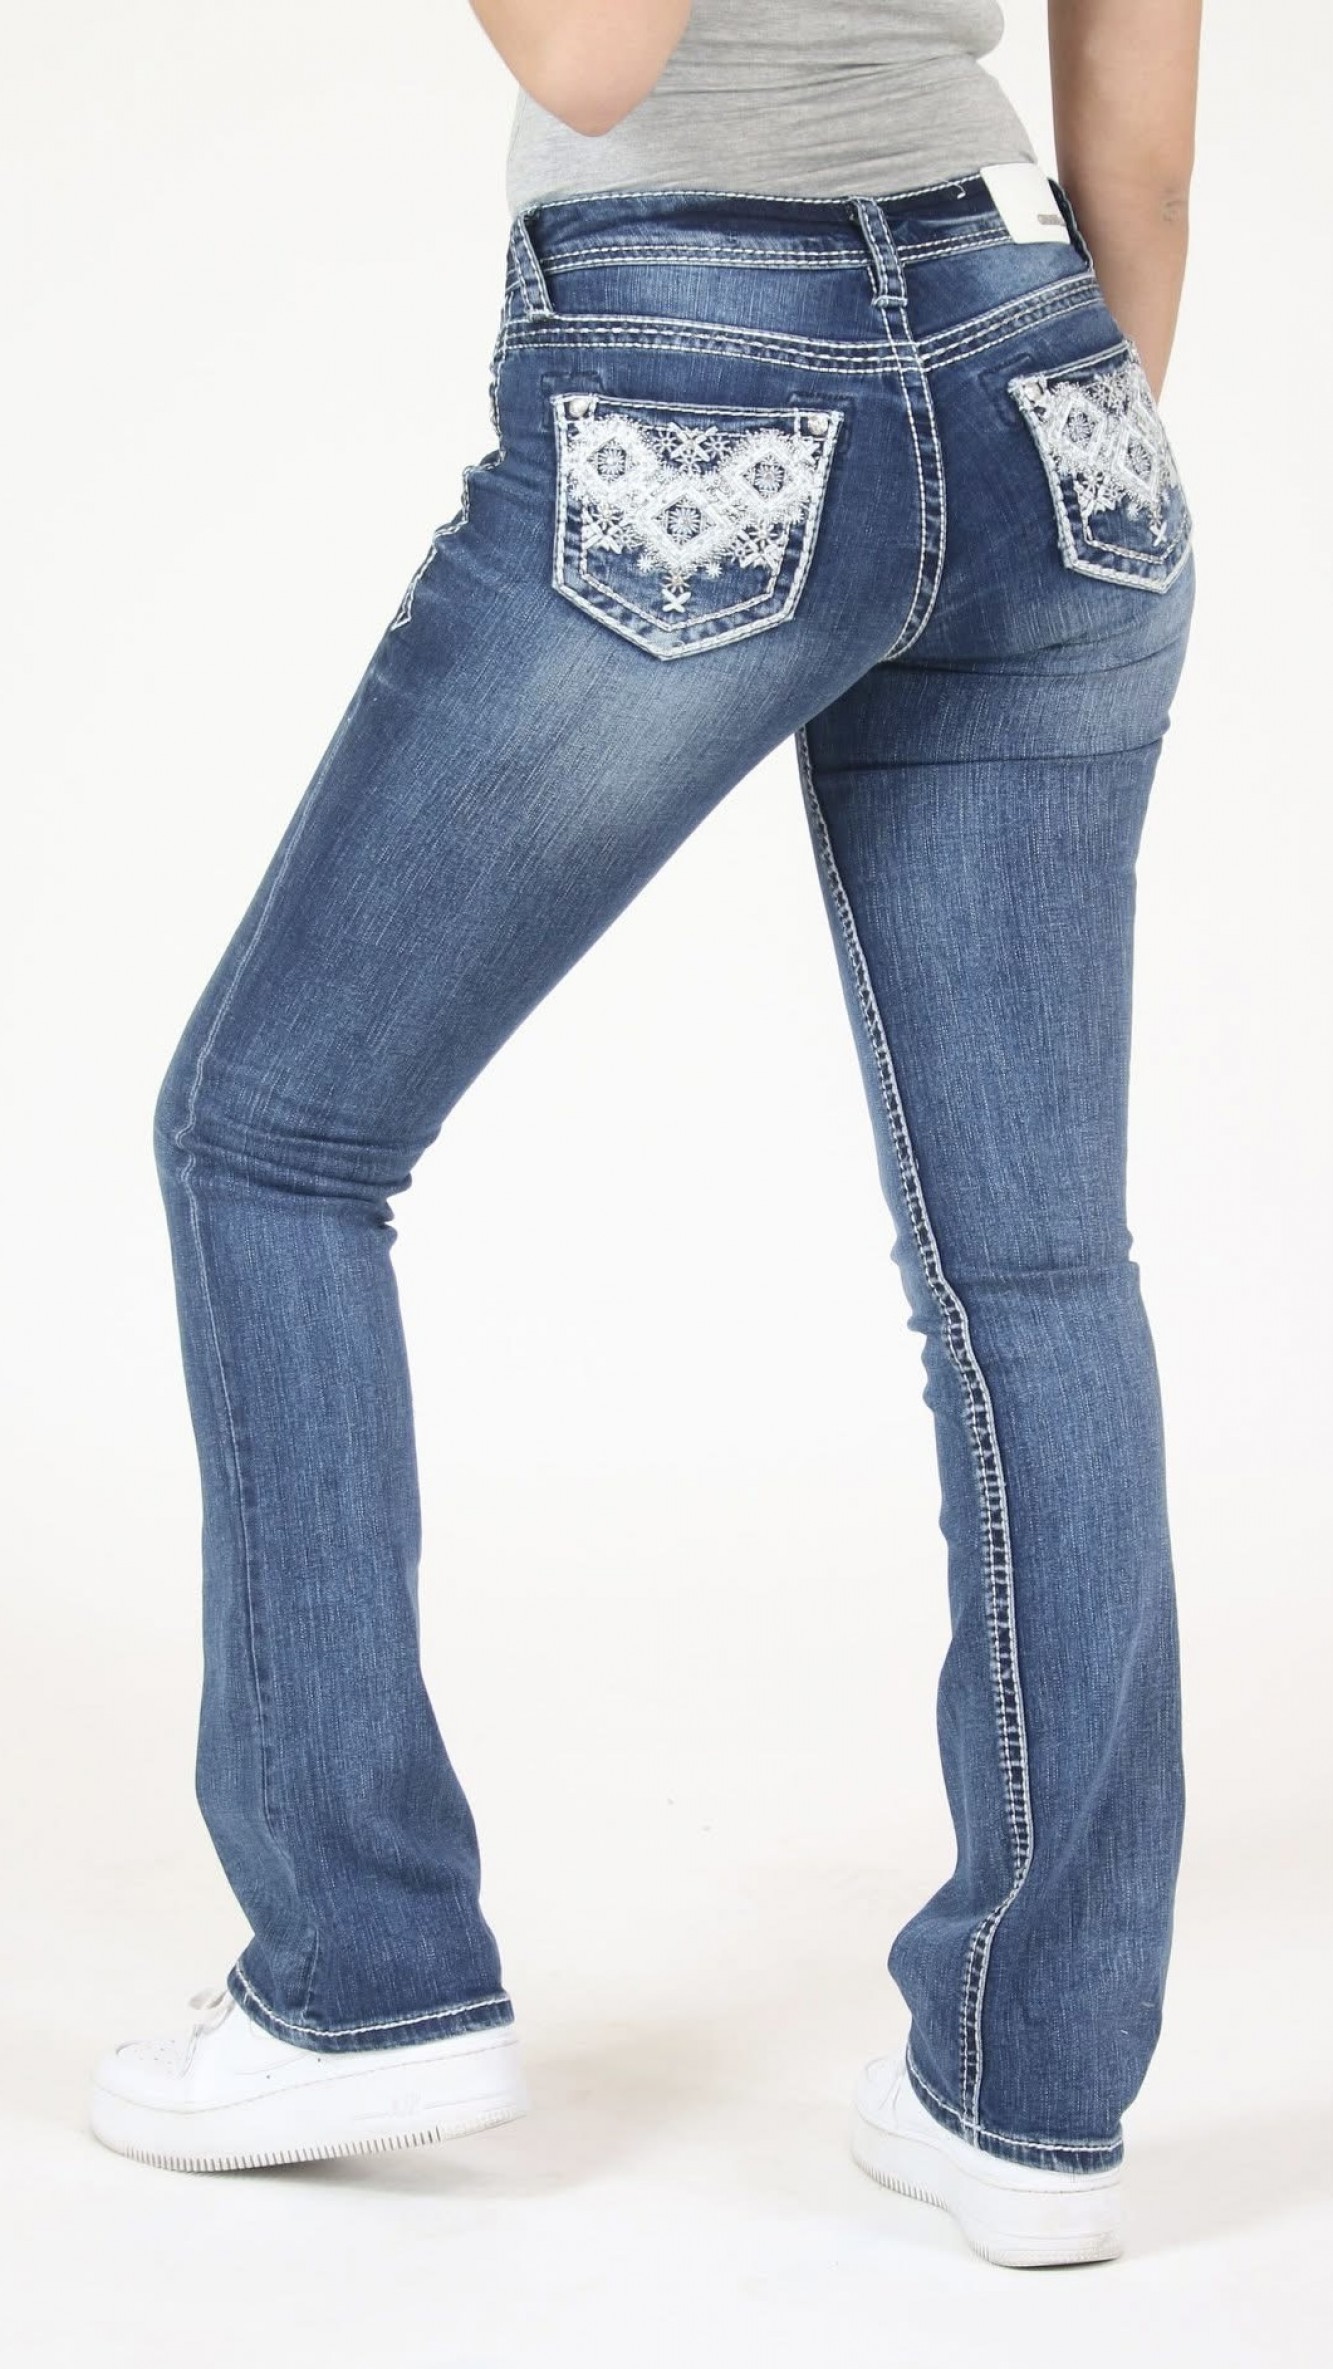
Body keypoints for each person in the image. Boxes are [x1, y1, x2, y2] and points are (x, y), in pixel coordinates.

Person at [89, 0, 1202, 2269]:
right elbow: (1145, 147)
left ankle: (360, 1973)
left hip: (701, 368)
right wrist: (1001, 462)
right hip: (1052, 382)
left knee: (271, 1140)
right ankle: (1033, 2093)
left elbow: (594, 61)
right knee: (1032, 1274)